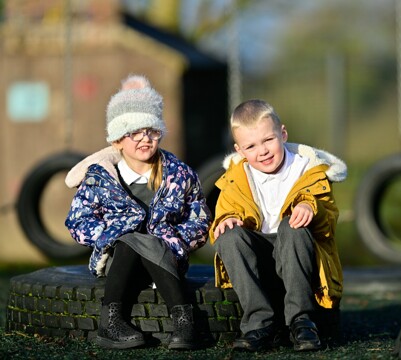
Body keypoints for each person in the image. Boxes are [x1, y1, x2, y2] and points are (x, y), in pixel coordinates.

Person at [65, 75, 211, 350]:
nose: (145, 138)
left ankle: (181, 322)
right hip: (119, 262)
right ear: (118, 140)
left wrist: (177, 240)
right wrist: (108, 237)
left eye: (152, 131)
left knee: (151, 240)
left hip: (167, 258)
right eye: (135, 132)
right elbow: (78, 219)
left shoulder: (179, 174)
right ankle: (118, 321)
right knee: (130, 239)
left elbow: (199, 219)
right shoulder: (101, 178)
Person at [210, 99, 347, 352]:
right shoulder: (234, 180)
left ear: (282, 134)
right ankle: (259, 323)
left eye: (268, 140)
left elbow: (329, 221)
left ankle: (301, 320)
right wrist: (226, 219)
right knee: (228, 235)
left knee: (291, 226)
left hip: (300, 255)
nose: (262, 151)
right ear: (240, 151)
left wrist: (310, 207)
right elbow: (224, 214)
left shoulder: (309, 171)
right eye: (251, 146)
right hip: (261, 257)